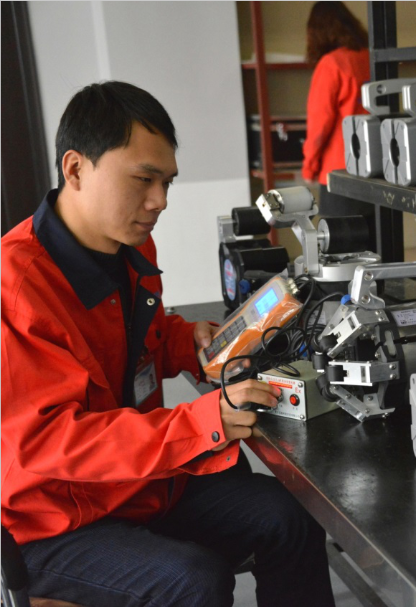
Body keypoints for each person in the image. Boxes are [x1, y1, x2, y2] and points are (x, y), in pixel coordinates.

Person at [1, 81, 335, 607]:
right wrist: (202, 423)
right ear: (76, 169)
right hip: (55, 521)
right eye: (143, 179)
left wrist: (187, 342)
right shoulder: (16, 288)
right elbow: (50, 442)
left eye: (166, 182)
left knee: (289, 516)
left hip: (135, 486)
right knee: (192, 580)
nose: (159, 201)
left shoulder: (130, 245)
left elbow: (132, 342)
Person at [302, 2, 375, 223]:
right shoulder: (371, 58)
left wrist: (309, 167)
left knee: (341, 241)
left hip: (339, 172)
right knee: (378, 239)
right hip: (377, 168)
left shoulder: (331, 64)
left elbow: (320, 124)